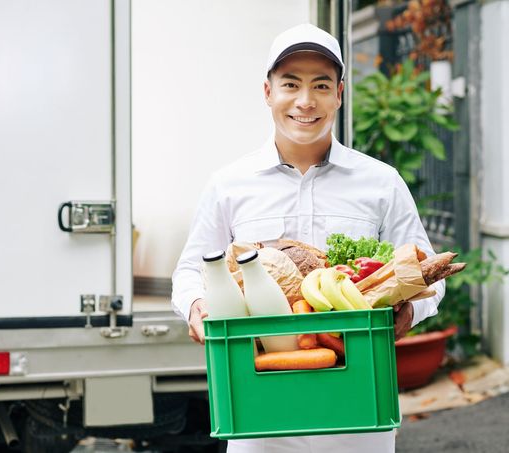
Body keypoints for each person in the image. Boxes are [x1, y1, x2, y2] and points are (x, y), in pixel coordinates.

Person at [171, 23, 445, 453]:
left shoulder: (380, 182)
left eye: (320, 84)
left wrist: (412, 309)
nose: (305, 101)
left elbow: (429, 271)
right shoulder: (229, 185)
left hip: (358, 416)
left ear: (339, 93)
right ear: (267, 92)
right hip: (260, 414)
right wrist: (195, 305)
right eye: (290, 84)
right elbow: (190, 270)